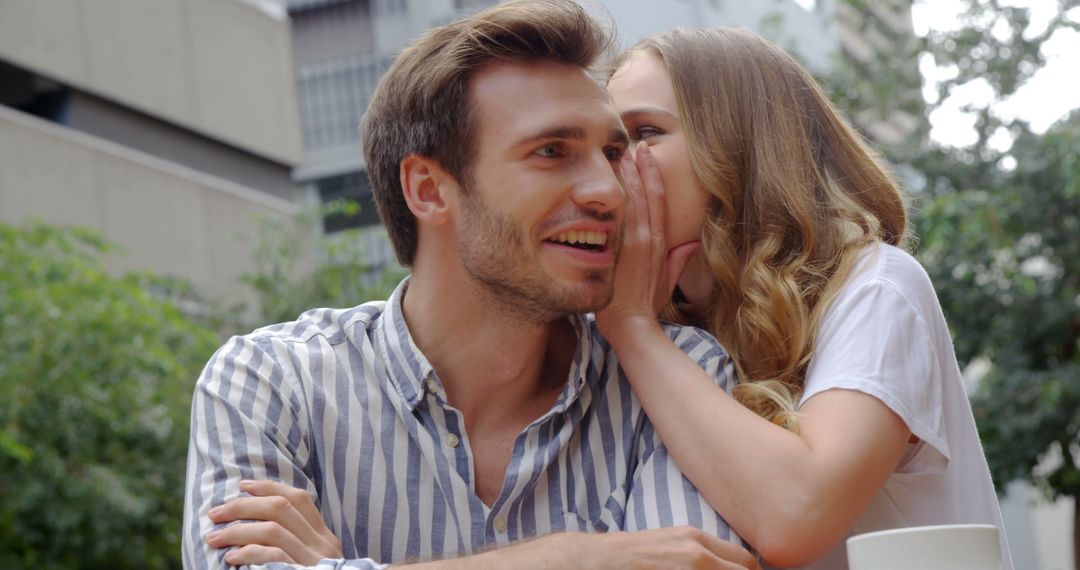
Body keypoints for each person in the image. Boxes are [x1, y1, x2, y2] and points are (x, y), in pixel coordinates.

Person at [182, 3, 759, 569]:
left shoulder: (677, 378)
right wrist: (577, 557)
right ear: (429, 190)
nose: (609, 190)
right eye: (552, 151)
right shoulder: (270, 381)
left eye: (611, 152)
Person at [599, 26, 1013, 569]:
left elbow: (796, 514)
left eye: (645, 132)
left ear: (739, 141)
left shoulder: (877, 286)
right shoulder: (657, 317)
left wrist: (632, 328)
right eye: (610, 144)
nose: (617, 163)